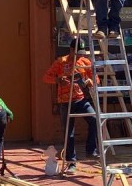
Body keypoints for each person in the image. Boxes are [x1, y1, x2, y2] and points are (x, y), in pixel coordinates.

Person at [42, 38, 99, 173]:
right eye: (77, 52)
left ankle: (91, 150)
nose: (80, 55)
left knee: (95, 119)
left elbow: (96, 78)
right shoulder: (61, 62)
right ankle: (71, 162)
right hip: (65, 102)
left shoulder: (85, 62)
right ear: (71, 50)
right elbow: (45, 77)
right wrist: (57, 80)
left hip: (81, 100)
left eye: (81, 53)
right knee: (69, 133)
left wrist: (92, 81)